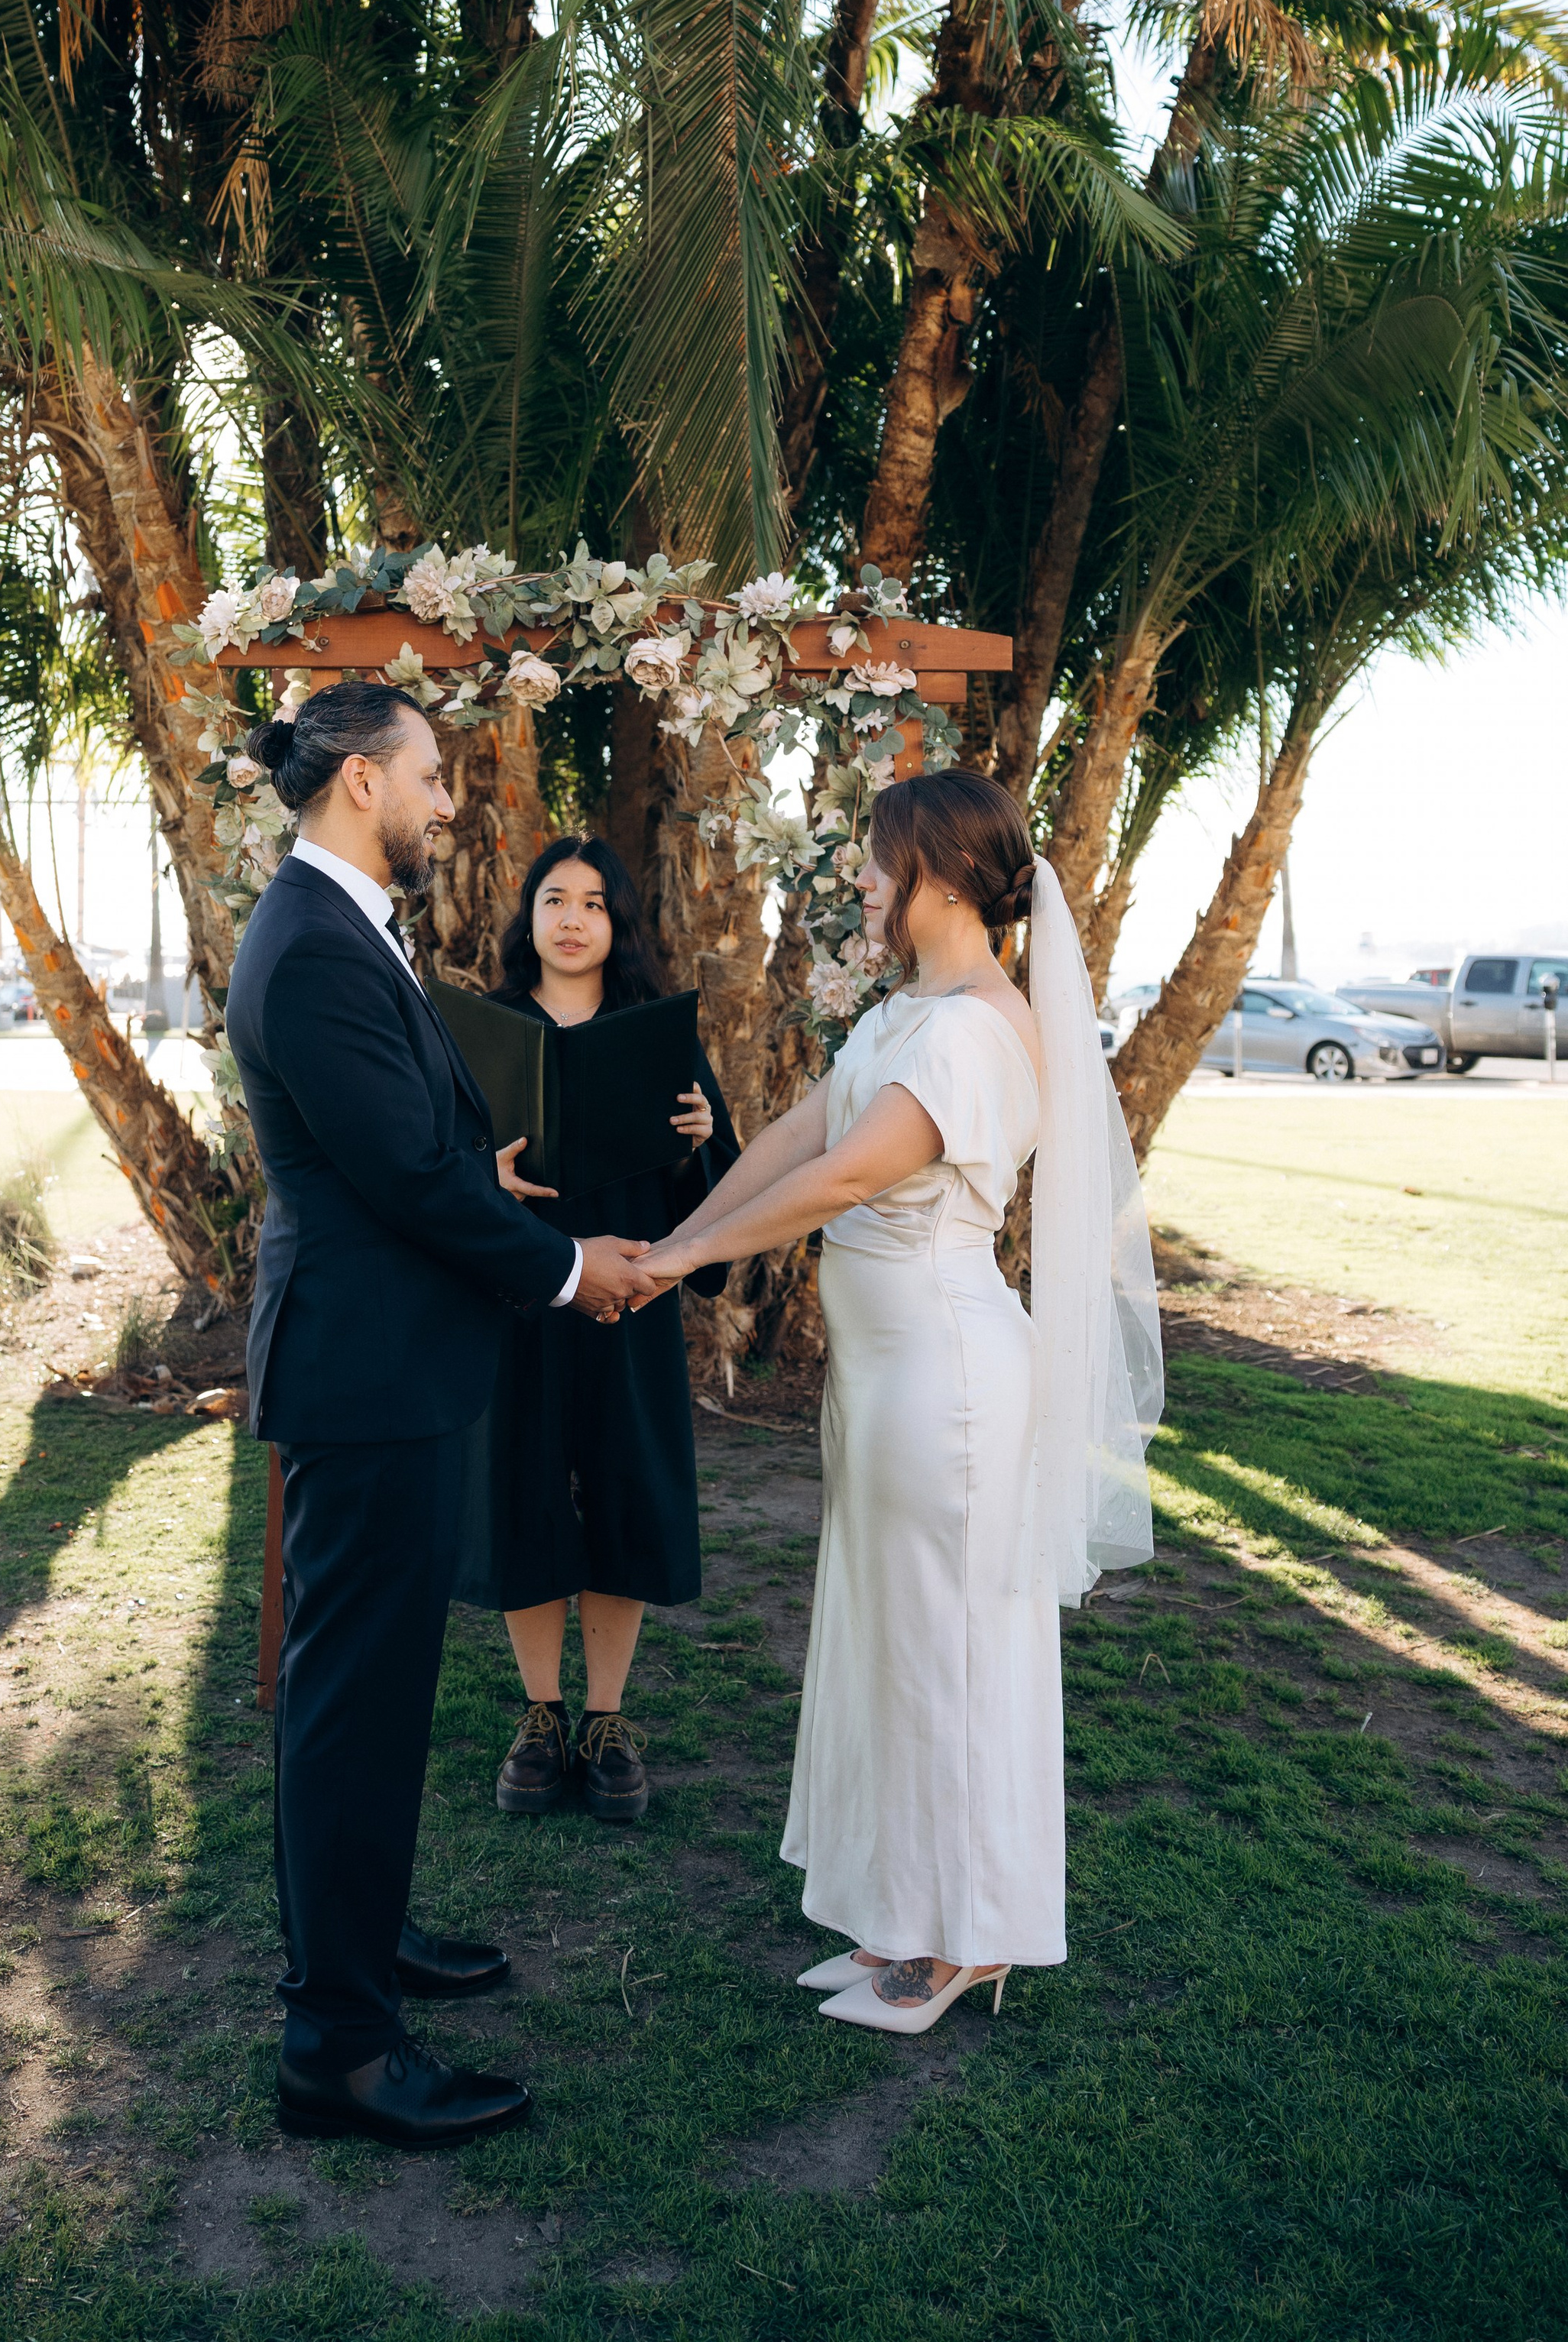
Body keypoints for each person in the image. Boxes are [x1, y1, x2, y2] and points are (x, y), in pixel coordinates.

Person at [628, 773, 1161, 2036]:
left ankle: (971, 1939)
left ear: (936, 874)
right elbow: (793, 1142)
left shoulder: (981, 1026)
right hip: (888, 1378)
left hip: (950, 1381)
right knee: (897, 1645)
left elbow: (852, 1176)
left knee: (952, 1656)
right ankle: (905, 1917)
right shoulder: (904, 1012)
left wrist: (677, 1267)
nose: (861, 882)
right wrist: (667, 1244)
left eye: (876, 864)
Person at [223, 685, 650, 2149]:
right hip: (367, 1372)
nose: (449, 802)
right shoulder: (313, 945)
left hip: (387, 1358)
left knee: (374, 1693)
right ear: (357, 783)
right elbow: (402, 1180)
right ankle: (338, 2047)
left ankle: (361, 1945)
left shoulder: (338, 925)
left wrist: (490, 1178)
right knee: (350, 1701)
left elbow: (413, 1149)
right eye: (430, 775)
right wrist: (565, 1265)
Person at [456, 836, 740, 1824]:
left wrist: (705, 1144)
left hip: (629, 1307)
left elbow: (720, 1198)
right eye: (553, 898)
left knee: (623, 1500)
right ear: (527, 917)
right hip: (518, 1310)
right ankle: (540, 1714)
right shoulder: (483, 1031)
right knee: (524, 1499)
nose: (572, 917)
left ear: (618, 925)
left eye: (593, 902)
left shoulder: (653, 1037)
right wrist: (478, 1170)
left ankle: (607, 1718)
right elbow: (438, 1170)